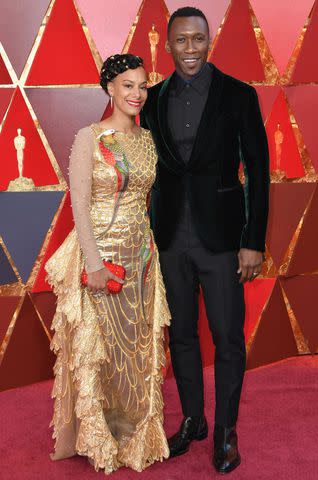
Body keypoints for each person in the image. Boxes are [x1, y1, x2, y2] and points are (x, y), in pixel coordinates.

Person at [140, 6, 269, 475]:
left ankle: (226, 431)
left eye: (198, 40)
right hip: (170, 239)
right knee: (181, 336)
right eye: (181, 41)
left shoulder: (238, 95)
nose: (190, 49)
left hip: (223, 242)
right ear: (168, 44)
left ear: (208, 41)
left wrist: (253, 241)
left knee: (228, 339)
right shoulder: (151, 100)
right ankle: (193, 419)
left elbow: (257, 170)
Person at [45, 54, 170, 474]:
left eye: (142, 85)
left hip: (141, 258)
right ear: (110, 90)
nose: (137, 94)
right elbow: (79, 204)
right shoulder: (90, 138)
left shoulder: (149, 140)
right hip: (99, 257)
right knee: (100, 350)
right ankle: (102, 437)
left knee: (135, 347)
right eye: (128, 85)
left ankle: (135, 431)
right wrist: (94, 263)